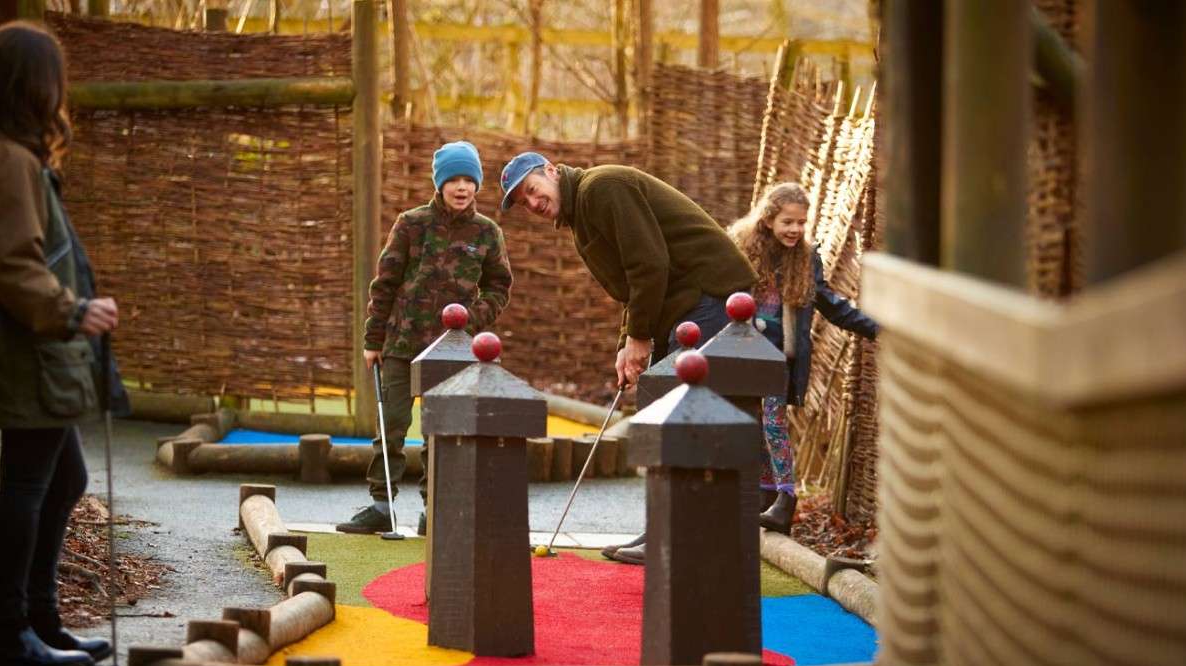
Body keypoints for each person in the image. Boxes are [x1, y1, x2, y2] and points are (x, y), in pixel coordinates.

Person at [0, 22, 126, 666]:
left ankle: (39, 619)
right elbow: (12, 262)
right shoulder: (6, 159)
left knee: (62, 476)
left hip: (11, 341)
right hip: (20, 344)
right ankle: (9, 633)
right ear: (34, 84)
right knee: (27, 480)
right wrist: (72, 310)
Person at [499, 152, 757, 564]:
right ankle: (664, 527)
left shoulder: (603, 187)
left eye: (531, 190)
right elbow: (631, 287)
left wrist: (640, 335)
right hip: (684, 305)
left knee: (679, 413)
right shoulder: (581, 217)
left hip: (711, 295)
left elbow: (649, 264)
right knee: (661, 404)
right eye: (522, 202)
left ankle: (681, 534)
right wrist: (627, 343)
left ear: (550, 170)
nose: (532, 203)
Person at [336, 140, 512, 535]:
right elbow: (385, 283)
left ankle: (434, 510)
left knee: (440, 431)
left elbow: (499, 287)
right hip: (401, 342)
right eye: (454, 179)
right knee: (392, 424)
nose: (462, 187)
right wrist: (373, 339)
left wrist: (472, 320)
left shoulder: (487, 233)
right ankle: (381, 505)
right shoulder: (411, 223)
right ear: (440, 183)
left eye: (469, 179)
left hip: (451, 350)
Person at [727, 182, 879, 534]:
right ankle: (766, 493)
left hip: (778, 357)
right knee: (755, 425)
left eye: (800, 223)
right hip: (744, 350)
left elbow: (829, 303)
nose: (795, 230)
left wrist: (874, 327)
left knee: (773, 423)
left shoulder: (806, 258)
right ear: (768, 219)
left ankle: (786, 498)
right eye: (787, 222)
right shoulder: (740, 246)